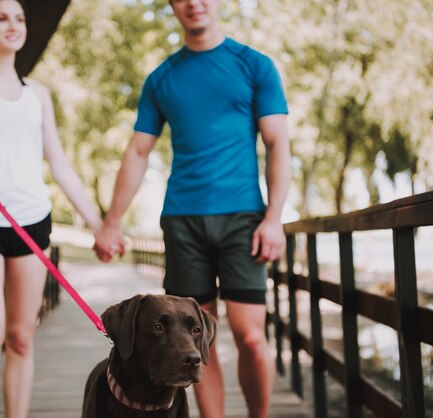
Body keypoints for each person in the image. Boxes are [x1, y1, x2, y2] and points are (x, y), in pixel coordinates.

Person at [94, 0, 291, 417]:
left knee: (250, 336)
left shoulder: (254, 65)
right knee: (196, 341)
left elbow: (277, 144)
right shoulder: (162, 78)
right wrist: (112, 222)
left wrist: (274, 218)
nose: (193, 3)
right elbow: (137, 152)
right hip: (182, 220)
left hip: (244, 219)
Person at [0, 1, 105, 417]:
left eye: (20, 18)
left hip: (31, 220)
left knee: (20, 337)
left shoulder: (38, 95)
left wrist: (98, 223)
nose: (13, 25)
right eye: (2, 17)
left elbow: (59, 163)